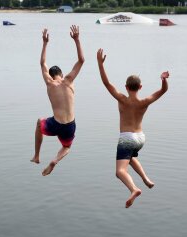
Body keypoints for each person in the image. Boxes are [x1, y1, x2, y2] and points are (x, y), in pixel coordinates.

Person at [97, 48, 169, 208]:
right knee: (130, 158)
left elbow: (106, 83)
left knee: (119, 172)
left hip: (127, 138)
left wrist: (100, 64)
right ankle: (145, 179)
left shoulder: (122, 99)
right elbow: (163, 90)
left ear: (126, 87)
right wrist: (163, 79)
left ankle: (134, 189)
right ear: (140, 87)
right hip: (140, 138)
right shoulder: (145, 101)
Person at [30, 25, 85, 176]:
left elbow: (42, 63)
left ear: (51, 74)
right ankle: (55, 160)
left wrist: (45, 43)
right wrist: (77, 40)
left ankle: (36, 156)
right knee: (66, 147)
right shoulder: (68, 80)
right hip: (69, 125)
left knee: (39, 122)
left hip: (56, 123)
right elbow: (81, 60)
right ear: (61, 73)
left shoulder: (49, 83)